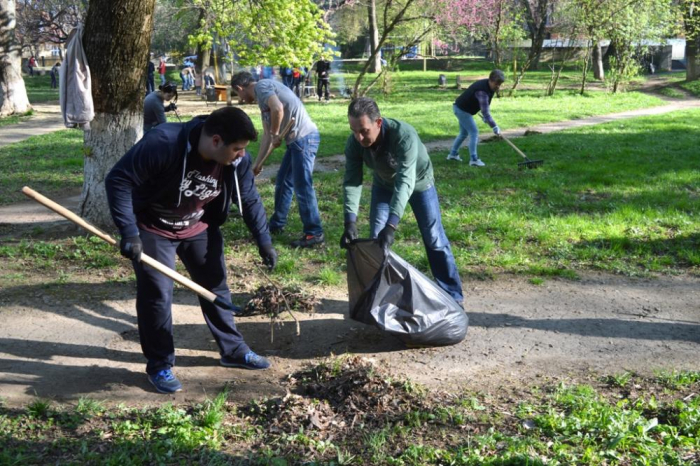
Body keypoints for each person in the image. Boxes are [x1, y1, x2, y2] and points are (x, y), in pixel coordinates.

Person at [105, 106, 277, 394]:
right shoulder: (164, 143)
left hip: (198, 226)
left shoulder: (235, 162)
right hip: (153, 228)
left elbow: (248, 197)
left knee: (215, 286)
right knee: (158, 295)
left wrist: (264, 240)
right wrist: (130, 233)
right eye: (237, 148)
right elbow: (118, 180)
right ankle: (160, 365)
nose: (242, 154)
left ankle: (233, 350)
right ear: (216, 141)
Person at [340, 97, 464, 305]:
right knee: (376, 241)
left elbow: (406, 181)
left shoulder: (404, 136)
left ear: (378, 123)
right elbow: (352, 181)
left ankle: (453, 296)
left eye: (363, 131)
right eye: (354, 130)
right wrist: (349, 221)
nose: (359, 137)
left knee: (434, 239)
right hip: (384, 184)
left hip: (419, 183)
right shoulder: (354, 143)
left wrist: (392, 225)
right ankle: (381, 298)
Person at [231, 71, 325, 248]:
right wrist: (257, 164)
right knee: (283, 182)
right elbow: (267, 135)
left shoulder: (262, 86)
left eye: (238, 95)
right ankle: (276, 225)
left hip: (304, 138)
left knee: (302, 186)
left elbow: (277, 108)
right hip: (296, 142)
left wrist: (275, 133)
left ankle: (314, 233)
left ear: (240, 88)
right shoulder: (261, 99)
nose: (241, 99)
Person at [447, 69, 505, 167]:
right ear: (490, 80)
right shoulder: (482, 91)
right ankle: (474, 159)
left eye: (500, 84)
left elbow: (484, 106)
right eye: (496, 84)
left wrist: (486, 118)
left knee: (463, 133)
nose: (498, 86)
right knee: (474, 132)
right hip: (462, 110)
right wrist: (494, 126)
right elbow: (485, 112)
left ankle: (453, 154)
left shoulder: (489, 87)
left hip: (462, 108)